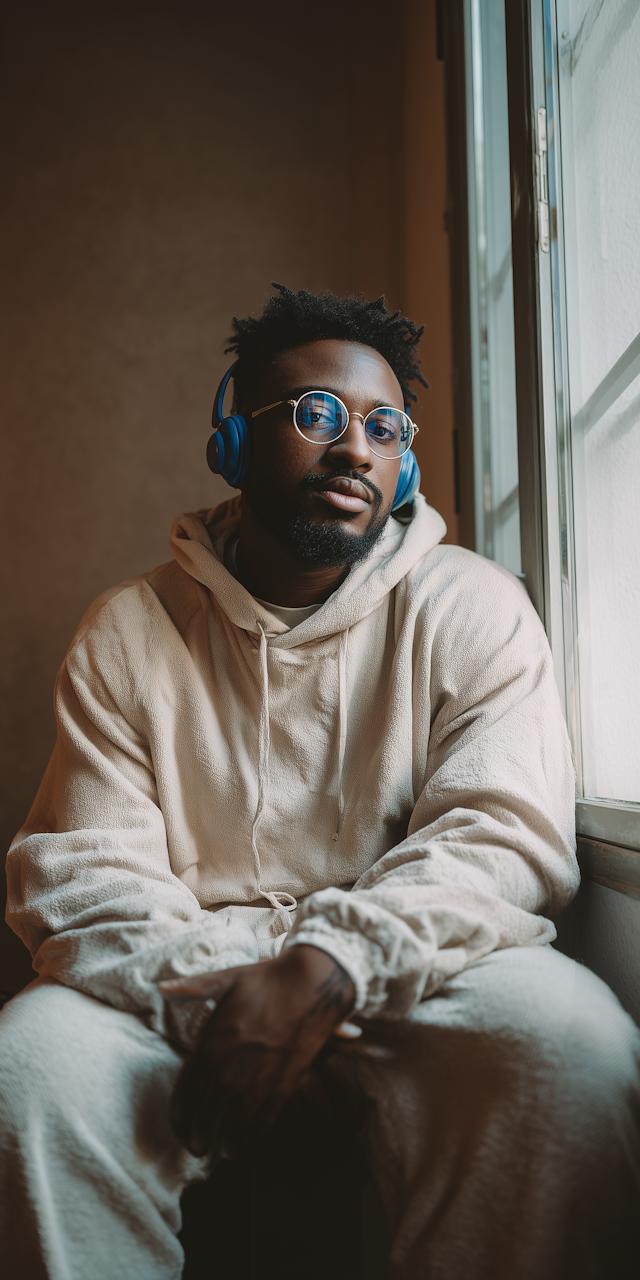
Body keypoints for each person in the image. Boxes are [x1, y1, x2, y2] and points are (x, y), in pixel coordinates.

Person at [1, 284, 639, 1280]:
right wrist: (240, 995)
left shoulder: (476, 606)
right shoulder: (129, 627)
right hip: (178, 969)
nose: (355, 448)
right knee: (29, 1066)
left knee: (574, 1047)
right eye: (316, 414)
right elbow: (84, 869)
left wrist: (329, 967)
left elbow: (500, 830)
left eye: (384, 427)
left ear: (406, 460)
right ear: (232, 440)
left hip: (419, 960)